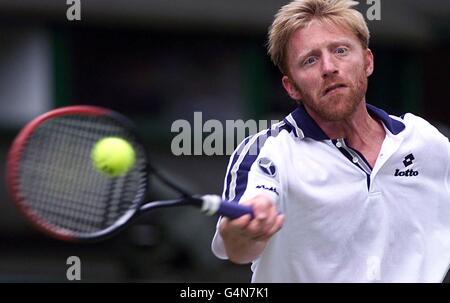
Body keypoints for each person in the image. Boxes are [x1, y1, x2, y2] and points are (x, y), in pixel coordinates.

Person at [211, 0, 450, 282]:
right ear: (292, 87)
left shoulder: (426, 141)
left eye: (340, 50)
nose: (328, 67)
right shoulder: (269, 151)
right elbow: (238, 248)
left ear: (368, 61)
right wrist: (246, 229)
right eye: (310, 60)